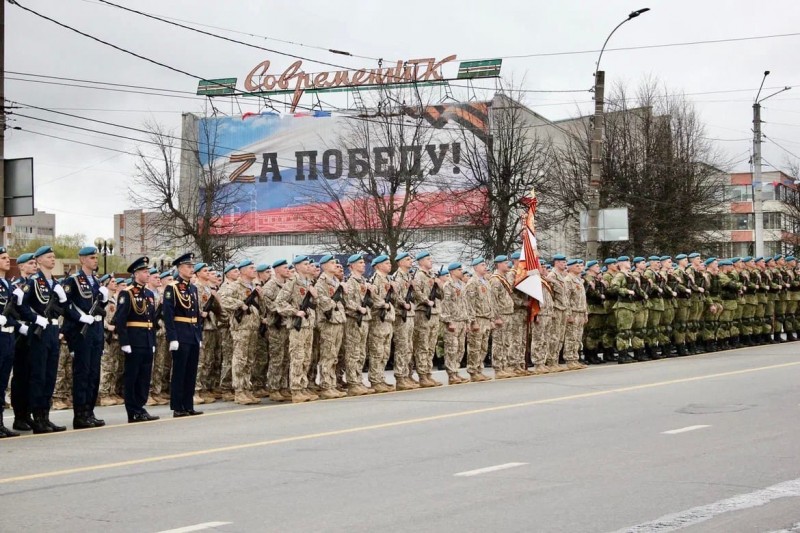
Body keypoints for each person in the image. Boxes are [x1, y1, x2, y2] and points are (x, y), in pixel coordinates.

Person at [16, 245, 69, 433]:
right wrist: (34, 318)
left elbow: (63, 309)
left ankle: (45, 416)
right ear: (39, 261)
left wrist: (63, 299)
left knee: (50, 375)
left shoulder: (54, 283)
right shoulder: (33, 282)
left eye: (54, 257)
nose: (53, 259)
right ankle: (37, 417)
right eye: (49, 257)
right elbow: (20, 306)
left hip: (53, 330)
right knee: (39, 375)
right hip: (40, 331)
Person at [62, 245, 109, 429]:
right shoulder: (73, 280)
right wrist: (79, 317)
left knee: (94, 374)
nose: (95, 260)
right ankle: (80, 415)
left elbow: (98, 308)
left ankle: (90, 411)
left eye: (96, 257)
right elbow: (66, 305)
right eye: (91, 257)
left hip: (96, 331)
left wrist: (104, 299)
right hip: (82, 332)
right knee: (82, 373)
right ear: (82, 259)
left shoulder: (96, 281)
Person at [115, 257, 160, 423]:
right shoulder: (127, 293)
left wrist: (152, 341)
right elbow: (120, 319)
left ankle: (140, 407)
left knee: (144, 376)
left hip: (147, 339)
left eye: (148, 271)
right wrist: (125, 342)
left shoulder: (148, 294)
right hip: (134, 340)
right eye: (144, 271)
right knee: (132, 376)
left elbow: (152, 320)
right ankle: (132, 410)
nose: (147, 274)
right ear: (136, 274)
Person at [162, 253, 203, 417]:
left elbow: (196, 313)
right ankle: (178, 406)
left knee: (191, 371)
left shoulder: (193, 288)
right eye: (188, 266)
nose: (192, 269)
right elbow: (168, 314)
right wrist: (172, 337)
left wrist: (198, 336)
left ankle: (188, 405)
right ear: (179, 268)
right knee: (179, 371)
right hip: (180, 333)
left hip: (192, 333)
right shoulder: (172, 288)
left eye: (192, 266)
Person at [275, 256, 318, 403]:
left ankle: (303, 387)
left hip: (308, 325)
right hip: (297, 326)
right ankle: (296, 389)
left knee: (306, 358)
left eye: (308, 264)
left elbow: (314, 304)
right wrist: (294, 311)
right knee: (297, 358)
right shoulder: (292, 282)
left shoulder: (308, 282)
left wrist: (315, 296)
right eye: (305, 264)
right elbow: (280, 302)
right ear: (297, 267)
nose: (308, 266)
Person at [219, 259, 262, 405]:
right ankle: (238, 391)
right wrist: (239, 304)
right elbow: (223, 300)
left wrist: (260, 296)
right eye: (251, 268)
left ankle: (246, 388)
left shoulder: (253, 286)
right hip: (241, 328)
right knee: (240, 359)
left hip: (253, 327)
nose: (254, 270)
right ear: (243, 271)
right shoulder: (235, 285)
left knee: (249, 360)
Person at [313, 255, 347, 399]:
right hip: (328, 323)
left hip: (338, 321)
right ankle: (326, 386)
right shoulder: (321, 283)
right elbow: (324, 303)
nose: (335, 265)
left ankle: (332, 384)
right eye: (332, 263)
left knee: (334, 356)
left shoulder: (335, 282)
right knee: (328, 356)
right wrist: (338, 294)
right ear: (324, 266)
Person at [10, 252, 37, 432]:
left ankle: (28, 414)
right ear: (21, 266)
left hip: (34, 332)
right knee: (20, 376)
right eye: (30, 263)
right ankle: (19, 416)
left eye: (35, 263)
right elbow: (10, 310)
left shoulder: (36, 285)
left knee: (31, 375)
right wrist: (19, 326)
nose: (34, 266)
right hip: (20, 334)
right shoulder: (16, 286)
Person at [411, 251, 444, 387]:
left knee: (431, 347)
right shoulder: (419, 275)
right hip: (424, 313)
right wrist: (426, 300)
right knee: (422, 346)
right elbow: (416, 291)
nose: (431, 261)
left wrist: (440, 285)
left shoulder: (432, 276)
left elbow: (441, 296)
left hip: (434, 313)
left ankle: (428, 374)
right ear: (421, 262)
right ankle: (422, 375)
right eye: (428, 259)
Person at [342, 254, 373, 396]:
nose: (363, 264)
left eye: (363, 262)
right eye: (360, 262)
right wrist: (358, 308)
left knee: (361, 352)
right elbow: (346, 301)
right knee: (353, 353)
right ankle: (353, 383)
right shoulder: (350, 281)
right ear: (352, 266)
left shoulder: (363, 281)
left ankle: (359, 380)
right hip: (354, 321)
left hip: (364, 320)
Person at [262, 260, 291, 402]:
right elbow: (271, 307)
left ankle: (283, 386)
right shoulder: (270, 287)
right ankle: (274, 388)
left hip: (287, 324)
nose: (288, 270)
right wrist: (288, 309)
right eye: (285, 268)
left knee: (286, 358)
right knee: (277, 358)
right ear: (278, 270)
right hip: (276, 326)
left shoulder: (288, 284)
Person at [366, 255, 396, 393]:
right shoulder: (375, 279)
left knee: (385, 352)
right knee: (377, 352)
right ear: (378, 266)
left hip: (388, 320)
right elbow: (372, 298)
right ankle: (375, 380)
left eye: (389, 262)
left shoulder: (387, 280)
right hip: (378, 320)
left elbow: (394, 299)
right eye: (386, 263)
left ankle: (381, 378)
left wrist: (394, 290)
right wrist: (384, 304)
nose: (389, 265)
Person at [0, 247, 21, 437]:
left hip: (8, 336)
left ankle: (0, 423)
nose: (8, 260)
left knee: (3, 380)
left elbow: (14, 313)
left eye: (8, 257)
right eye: (3, 258)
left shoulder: (8, 284)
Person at [194, 262, 222, 405]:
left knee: (208, 361)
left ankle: (204, 389)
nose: (207, 273)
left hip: (211, 327)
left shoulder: (208, 289)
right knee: (200, 361)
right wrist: (200, 313)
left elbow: (218, 308)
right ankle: (195, 391)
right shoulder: (195, 288)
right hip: (202, 327)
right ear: (198, 273)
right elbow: (194, 306)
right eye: (204, 271)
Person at [464, 257, 496, 379]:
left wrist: (491, 319)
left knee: (483, 347)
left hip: (486, 318)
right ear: (476, 267)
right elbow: (469, 303)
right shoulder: (473, 282)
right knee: (475, 347)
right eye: (482, 265)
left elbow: (489, 302)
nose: (485, 267)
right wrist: (473, 321)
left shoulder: (486, 282)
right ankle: (473, 371)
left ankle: (479, 369)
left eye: (485, 264)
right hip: (478, 318)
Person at [391, 252, 418, 390]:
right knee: (402, 347)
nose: (410, 261)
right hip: (401, 315)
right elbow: (395, 295)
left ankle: (407, 375)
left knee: (409, 347)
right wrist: (403, 303)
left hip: (410, 314)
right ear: (400, 262)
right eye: (407, 259)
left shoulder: (408, 277)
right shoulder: (397, 277)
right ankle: (400, 377)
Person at [440, 263, 470, 384]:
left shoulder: (462, 285)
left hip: (462, 320)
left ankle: (456, 371)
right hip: (453, 321)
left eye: (461, 269)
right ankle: (451, 374)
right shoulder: (448, 285)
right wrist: (449, 321)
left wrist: (467, 321)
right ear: (452, 272)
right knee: (452, 349)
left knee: (460, 349)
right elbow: (445, 304)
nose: (461, 271)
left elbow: (465, 304)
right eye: (459, 269)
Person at [488, 256, 514, 379]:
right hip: (501, 315)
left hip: (508, 313)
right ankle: (498, 368)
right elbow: (493, 300)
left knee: (507, 342)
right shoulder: (495, 280)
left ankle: (505, 366)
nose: (508, 264)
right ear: (498, 264)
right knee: (499, 342)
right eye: (505, 263)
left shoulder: (505, 278)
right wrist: (496, 317)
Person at [545, 254, 570, 371]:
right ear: (556, 263)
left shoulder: (561, 276)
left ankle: (555, 360)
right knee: (554, 336)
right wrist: (552, 310)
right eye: (563, 262)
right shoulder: (552, 275)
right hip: (556, 309)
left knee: (560, 337)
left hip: (563, 309)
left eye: (565, 262)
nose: (565, 264)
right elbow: (550, 295)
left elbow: (565, 295)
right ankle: (551, 361)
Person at [563, 259, 588, 370]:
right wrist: (569, 314)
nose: (579, 267)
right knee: (571, 337)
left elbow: (583, 299)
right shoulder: (568, 280)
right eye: (576, 266)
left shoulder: (579, 280)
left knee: (578, 337)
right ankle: (569, 359)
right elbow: (566, 298)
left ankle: (575, 358)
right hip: (573, 312)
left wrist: (585, 313)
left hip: (580, 312)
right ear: (570, 268)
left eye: (580, 266)